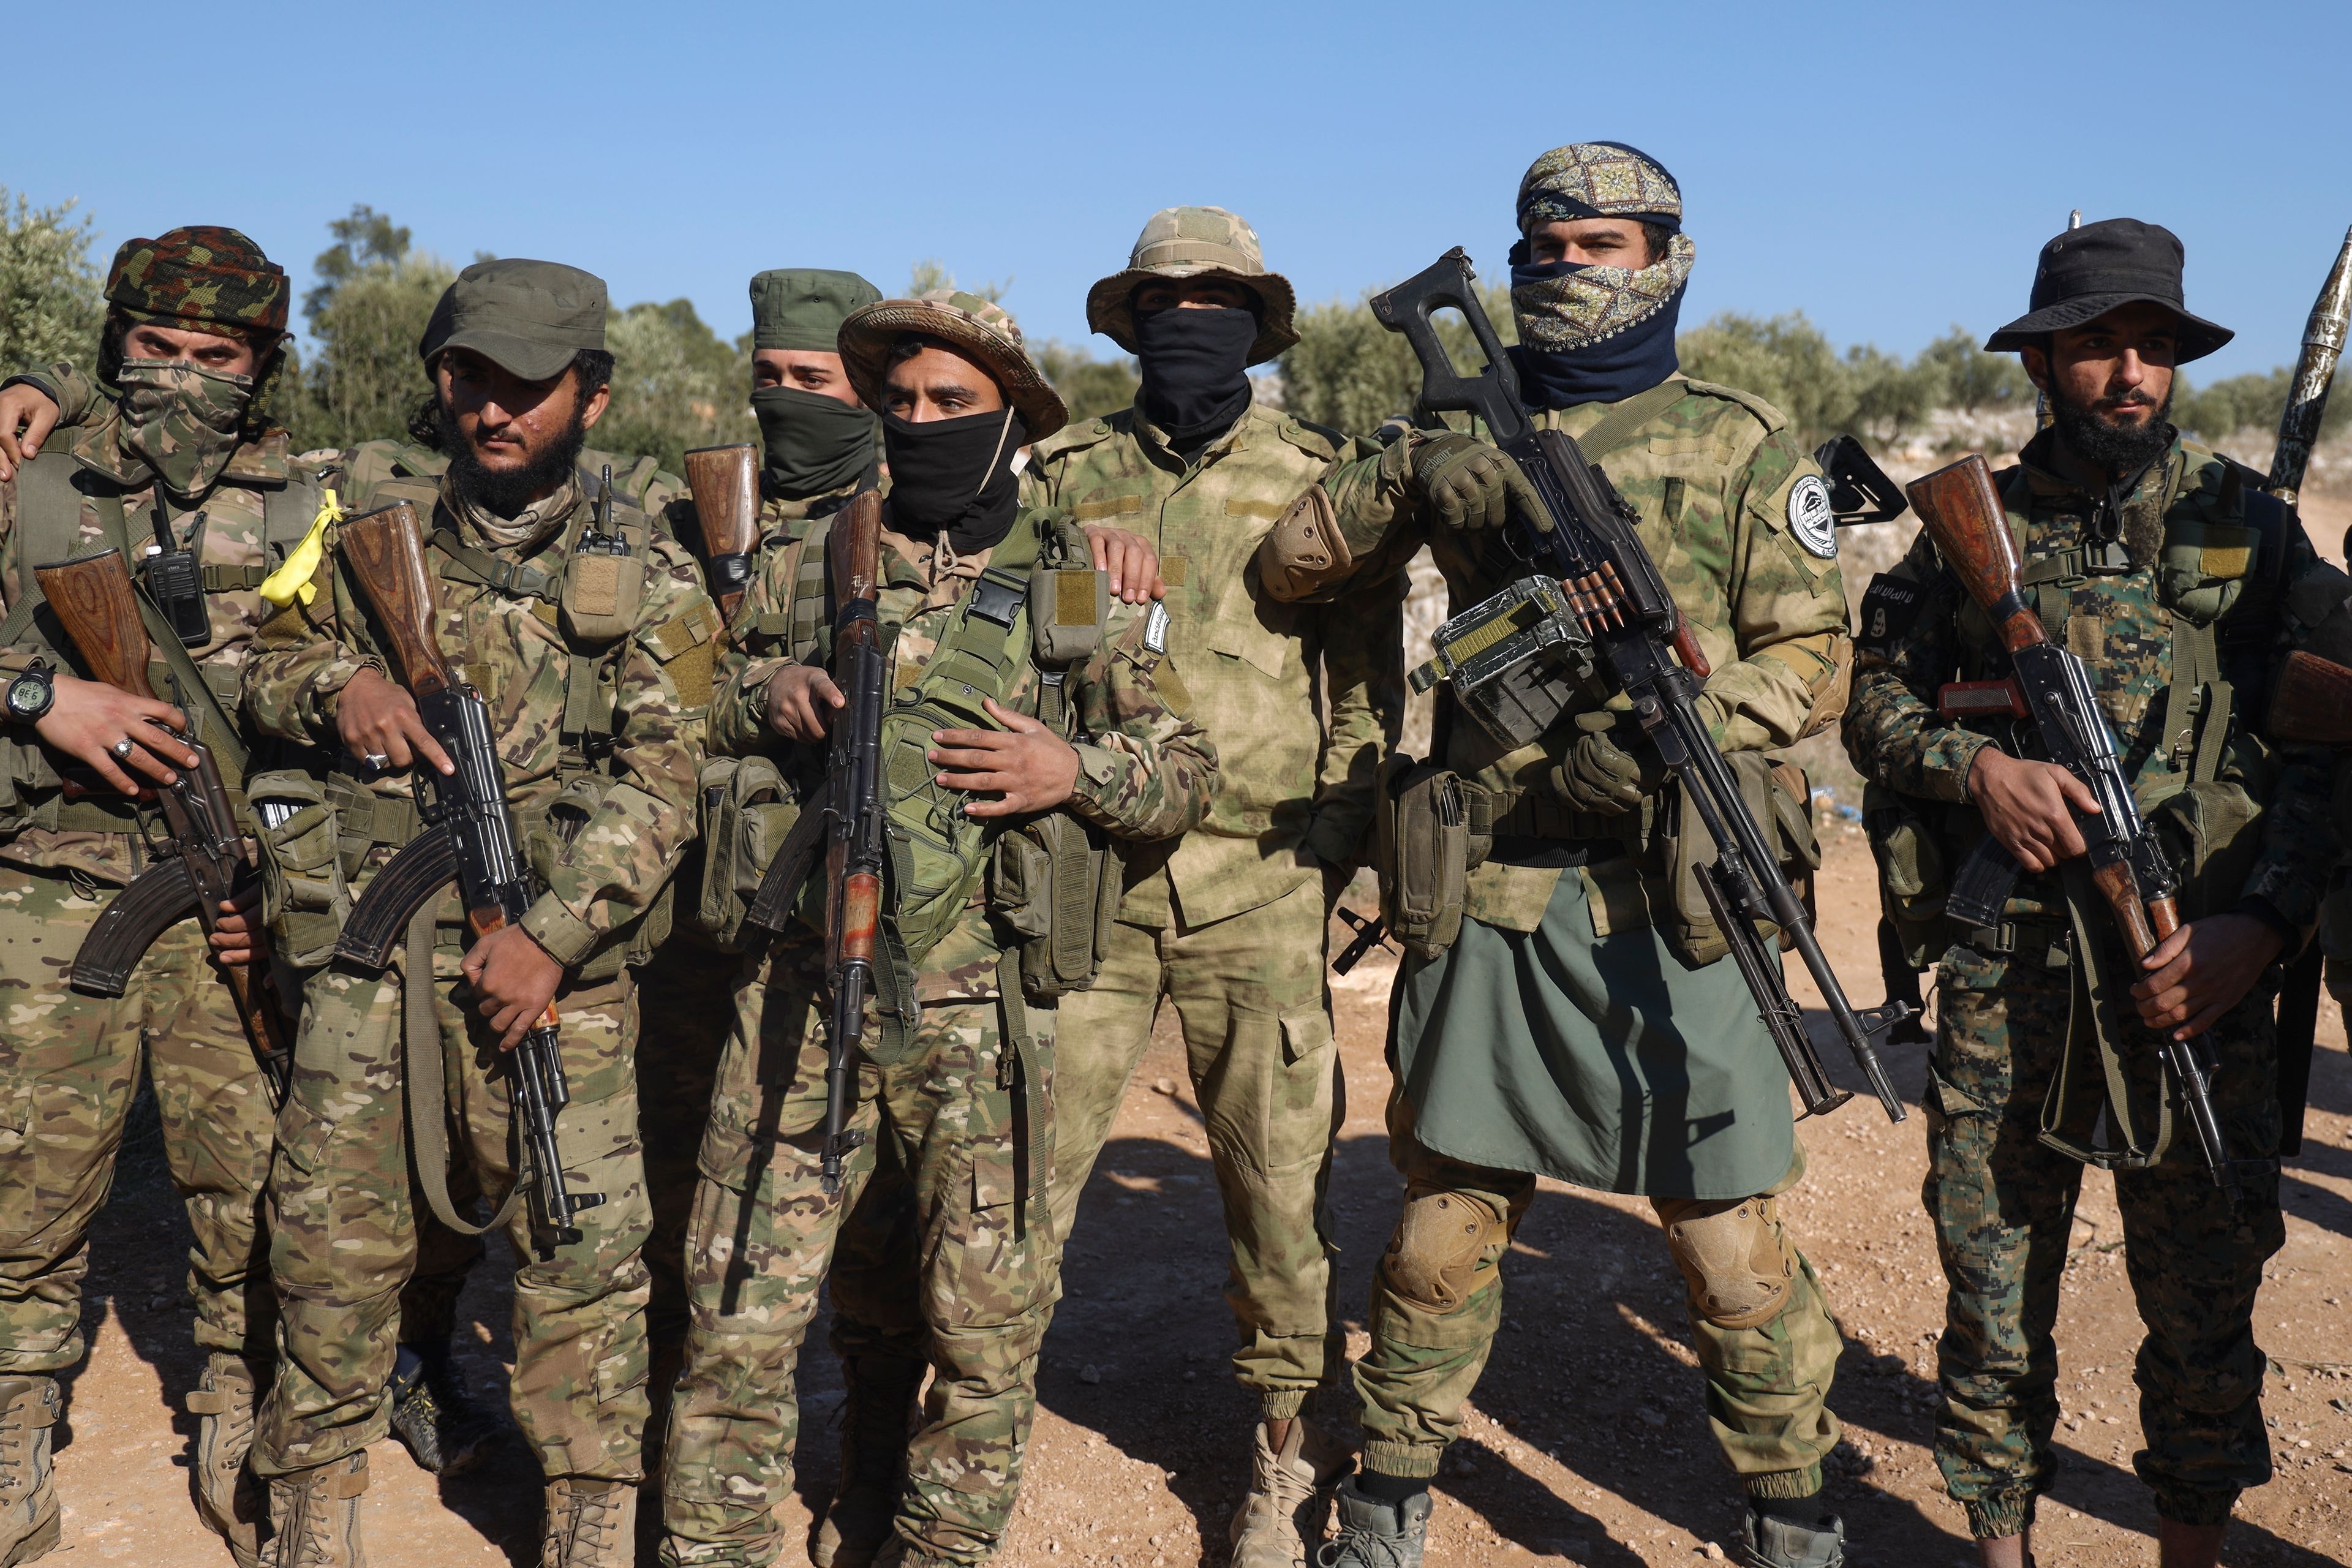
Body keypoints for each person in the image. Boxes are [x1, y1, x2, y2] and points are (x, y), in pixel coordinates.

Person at [1257, 143, 1861, 1568]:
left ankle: (1794, 1514)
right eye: (1545, 251)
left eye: (1601, 244)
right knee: (1440, 1231)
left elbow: (1818, 657)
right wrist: (1415, 462)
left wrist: (1678, 727)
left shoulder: (1737, 442)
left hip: (1683, 894)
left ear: (1666, 254)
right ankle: (1389, 1494)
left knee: (1727, 1245)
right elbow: (1287, 567)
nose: (1568, 271)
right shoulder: (1460, 420)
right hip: (1502, 890)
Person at [658, 290, 1216, 1568]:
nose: (917, 423)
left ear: (1012, 415)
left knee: (985, 1331)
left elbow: (1186, 767)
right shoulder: (801, 558)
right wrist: (764, 691)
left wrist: (1070, 767)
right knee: (740, 1311)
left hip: (985, 1022)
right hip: (797, 998)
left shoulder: (1076, 577)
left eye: (950, 403)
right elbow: (673, 708)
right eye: (898, 401)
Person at [1842, 217, 2338, 1568]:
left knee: (2202, 1294)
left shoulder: (2254, 527)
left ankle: (2191, 1545)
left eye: (2155, 347)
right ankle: (2000, 1543)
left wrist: (2266, 923)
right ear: (2043, 361)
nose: (2131, 372)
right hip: (2008, 973)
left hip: (2197, 977)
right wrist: (1976, 767)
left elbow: (2328, 747)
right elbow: (1872, 703)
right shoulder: (1973, 537)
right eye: (2100, 345)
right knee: (1993, 1282)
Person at [241, 258, 718, 1566]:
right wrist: (337, 681)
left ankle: (588, 1518)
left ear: (593, 397)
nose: (494, 410)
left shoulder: (647, 568)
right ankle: (310, 1508)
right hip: (371, 962)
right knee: (331, 1245)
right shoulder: (353, 535)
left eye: (527, 386)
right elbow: (259, 657)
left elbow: (668, 776)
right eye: (469, 378)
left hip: (556, 970)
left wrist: (553, 934)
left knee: (581, 1258)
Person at [1019, 206, 1408, 1568]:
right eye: (1167, 300)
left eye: (1218, 300)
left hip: (1263, 883)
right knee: (1024, 1174)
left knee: (1279, 1190)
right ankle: (979, 1435)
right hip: (1087, 882)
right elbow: (1018, 648)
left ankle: (1282, 1455)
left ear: (1255, 322)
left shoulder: (1320, 482)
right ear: (1132, 321)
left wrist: (1341, 853)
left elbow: (1365, 689)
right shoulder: (1060, 474)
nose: (1192, 320)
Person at [0, 227, 322, 1568]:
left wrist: (291, 885)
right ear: (112, 342)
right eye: (155, 348)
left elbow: (343, 709)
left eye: (217, 356)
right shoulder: (27, 476)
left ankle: (238, 1405)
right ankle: (15, 1421)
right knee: (27, 1188)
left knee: (247, 1184)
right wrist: (38, 695)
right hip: (49, 886)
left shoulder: (316, 499)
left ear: (261, 367)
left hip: (232, 897)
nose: (182, 378)